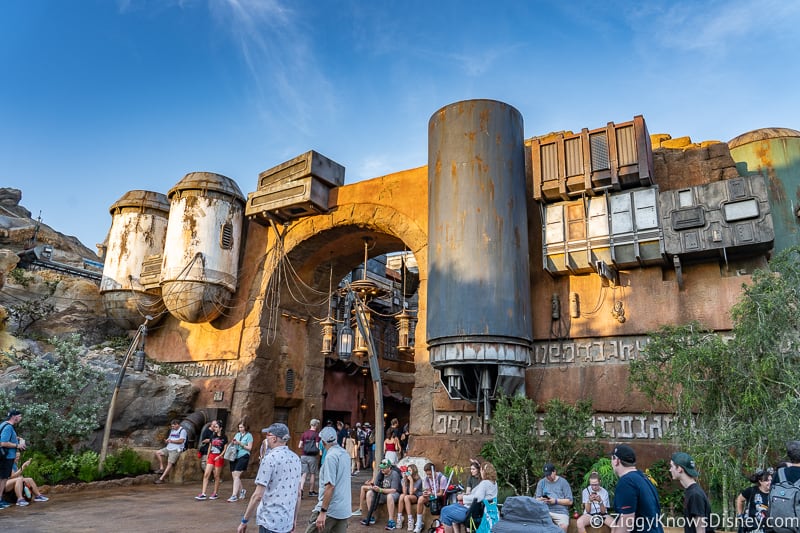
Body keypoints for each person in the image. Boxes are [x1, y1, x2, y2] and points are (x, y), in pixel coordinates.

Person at [238, 423, 301, 533]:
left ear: (274, 438)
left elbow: (257, 495)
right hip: (287, 522)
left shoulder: (269, 459)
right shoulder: (296, 458)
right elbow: (298, 493)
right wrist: (294, 520)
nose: (266, 437)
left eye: (267, 435)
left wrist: (244, 521)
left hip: (270, 521)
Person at [305, 425, 352, 533]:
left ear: (324, 442)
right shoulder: (345, 454)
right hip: (343, 510)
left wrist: (323, 512)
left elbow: (330, 486)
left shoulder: (331, 457)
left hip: (330, 509)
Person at [608, 444, 664, 533]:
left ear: (616, 461)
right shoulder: (644, 477)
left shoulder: (626, 482)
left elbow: (627, 521)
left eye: (612, 459)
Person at [440, 462, 498, 533]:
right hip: (481, 511)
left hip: (473, 514)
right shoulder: (494, 483)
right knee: (453, 506)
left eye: (481, 471)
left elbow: (477, 498)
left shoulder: (484, 483)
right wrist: (467, 495)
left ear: (484, 471)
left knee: (445, 511)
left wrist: (463, 498)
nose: (481, 473)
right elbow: (477, 495)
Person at [670, 451, 714, 533]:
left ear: (679, 469)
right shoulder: (691, 491)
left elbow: (701, 530)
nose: (670, 470)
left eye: (672, 466)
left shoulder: (695, 494)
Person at [360, 458, 402, 529]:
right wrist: (373, 487)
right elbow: (376, 485)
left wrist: (380, 490)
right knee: (369, 493)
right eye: (381, 468)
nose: (382, 469)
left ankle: (391, 521)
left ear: (389, 467)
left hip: (393, 495)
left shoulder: (394, 474)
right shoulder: (380, 473)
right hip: (382, 494)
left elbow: (394, 490)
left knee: (389, 496)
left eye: (384, 468)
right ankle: (371, 516)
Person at [534, 463, 573, 532]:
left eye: (549, 474)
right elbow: (537, 499)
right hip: (545, 511)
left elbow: (570, 501)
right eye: (546, 475)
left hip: (560, 512)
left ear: (554, 471)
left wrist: (555, 501)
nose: (548, 477)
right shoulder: (541, 482)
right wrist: (541, 499)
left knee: (564, 526)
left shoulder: (563, 482)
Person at [0, 409, 26, 510]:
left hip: (4, 456)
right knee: (3, 479)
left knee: (3, 478)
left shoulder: (3, 425)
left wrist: (18, 438)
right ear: (14, 417)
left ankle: (1, 499)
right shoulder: (9, 427)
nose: (20, 418)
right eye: (19, 416)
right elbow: (3, 442)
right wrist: (17, 445)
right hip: (6, 456)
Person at [412, 462, 449, 533]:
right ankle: (419, 523)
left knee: (436, 502)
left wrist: (431, 493)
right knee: (420, 499)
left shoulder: (442, 478)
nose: (428, 476)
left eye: (430, 474)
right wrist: (425, 493)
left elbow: (441, 494)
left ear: (434, 471)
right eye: (427, 474)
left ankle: (438, 526)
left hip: (440, 498)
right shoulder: (427, 479)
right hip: (432, 496)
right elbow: (428, 490)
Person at [195, 419, 227, 501]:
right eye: (215, 427)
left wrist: (220, 456)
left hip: (218, 457)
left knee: (216, 476)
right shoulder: (213, 436)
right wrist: (208, 456)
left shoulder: (224, 437)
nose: (215, 428)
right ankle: (203, 493)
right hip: (212, 456)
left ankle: (215, 493)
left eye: (216, 427)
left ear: (220, 428)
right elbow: (210, 446)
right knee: (206, 474)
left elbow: (225, 448)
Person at [735, 468, 772, 533]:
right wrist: (740, 515)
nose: (770, 482)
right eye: (767, 480)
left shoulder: (774, 493)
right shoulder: (752, 490)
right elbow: (739, 499)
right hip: (751, 527)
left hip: (768, 528)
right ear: (760, 481)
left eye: (771, 480)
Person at [154, 419, 187, 484]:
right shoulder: (172, 430)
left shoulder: (182, 431)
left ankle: (161, 479)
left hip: (176, 449)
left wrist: (172, 441)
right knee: (157, 452)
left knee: (170, 463)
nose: (172, 427)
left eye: (173, 426)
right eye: (172, 426)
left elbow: (181, 441)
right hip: (169, 447)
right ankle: (161, 468)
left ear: (177, 425)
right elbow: (170, 438)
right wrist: (167, 440)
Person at [227, 421, 253, 502]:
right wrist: (234, 442)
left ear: (245, 427)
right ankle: (242, 490)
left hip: (243, 455)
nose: (240, 429)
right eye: (239, 427)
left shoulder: (249, 436)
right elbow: (234, 442)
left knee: (237, 474)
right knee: (234, 475)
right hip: (235, 456)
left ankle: (234, 495)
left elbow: (249, 448)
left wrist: (240, 443)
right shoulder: (237, 435)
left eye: (242, 427)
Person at [298, 418, 320, 497]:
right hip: (312, 456)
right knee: (312, 474)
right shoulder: (316, 434)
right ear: (316, 425)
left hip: (303, 455)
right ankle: (311, 491)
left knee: (303, 474)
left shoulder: (304, 433)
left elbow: (299, 445)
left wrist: (305, 447)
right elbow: (317, 445)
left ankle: (301, 489)